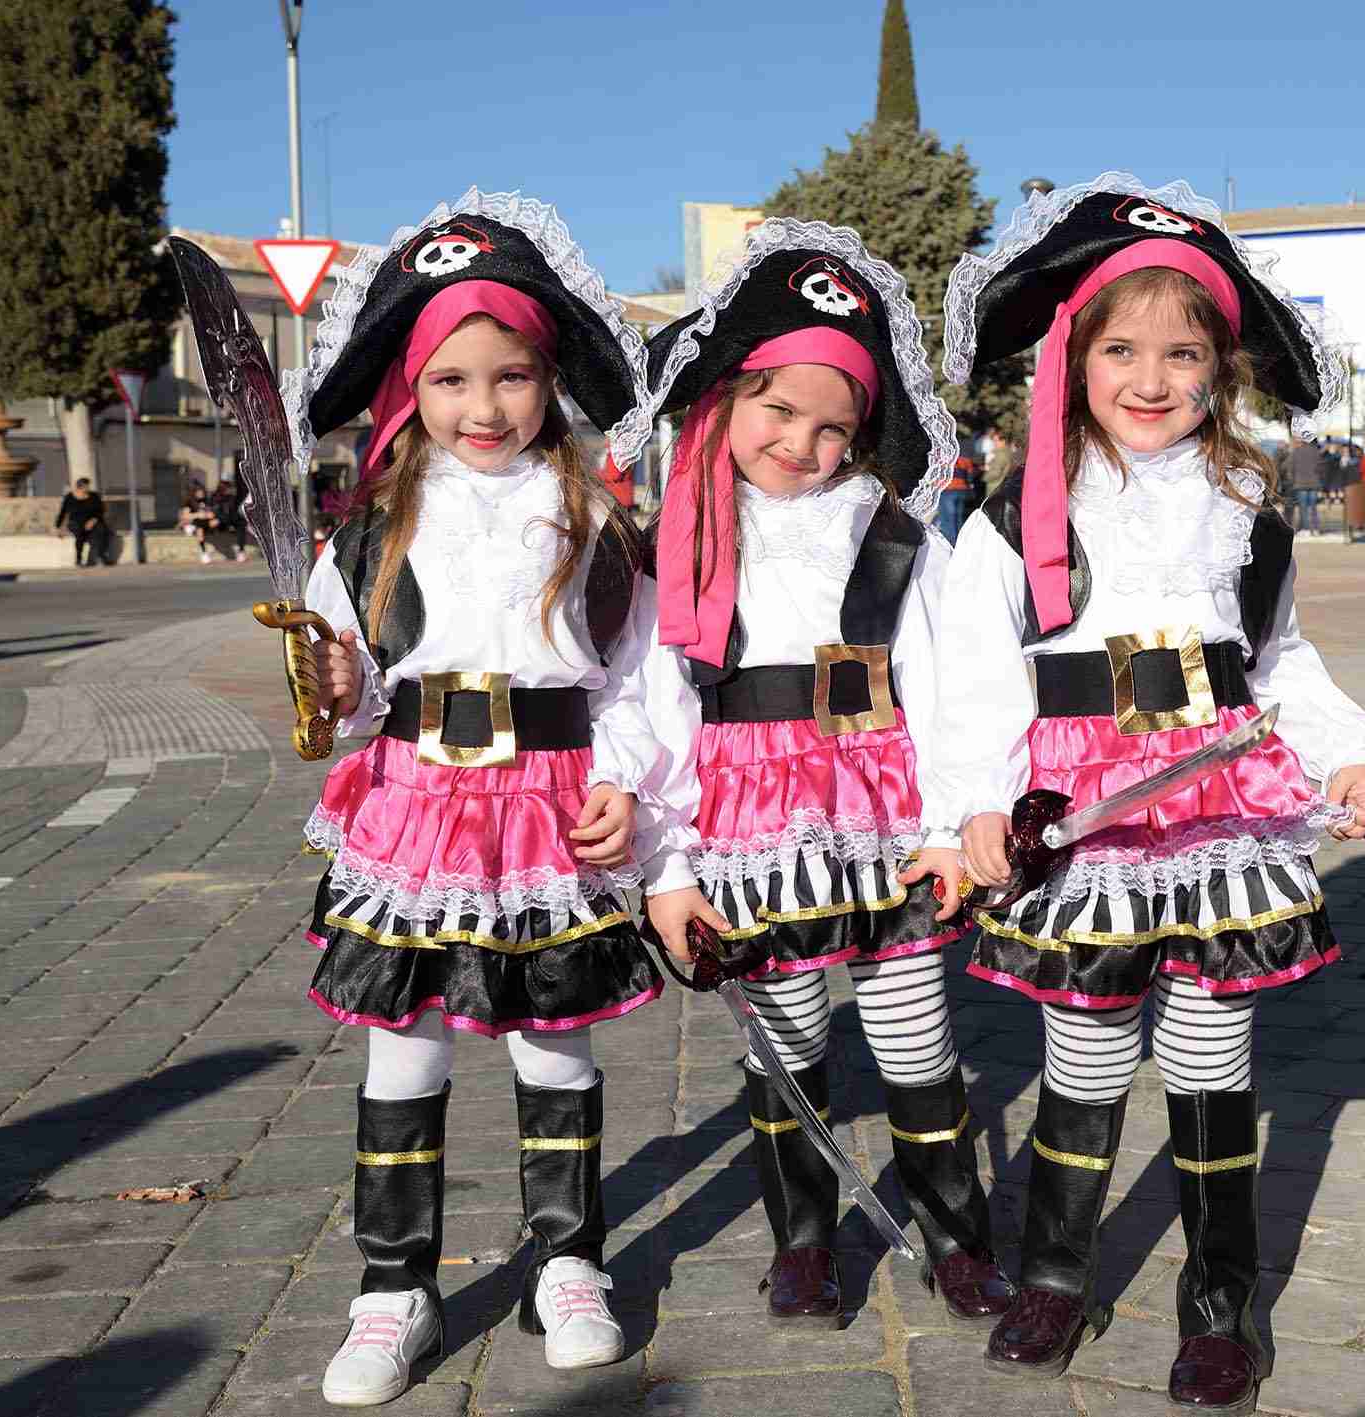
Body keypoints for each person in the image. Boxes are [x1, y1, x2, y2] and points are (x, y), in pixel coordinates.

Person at [932, 176, 1365, 1408]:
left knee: (1206, 1049)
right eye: (1120, 349)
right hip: (1078, 812)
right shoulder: (1004, 519)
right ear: (1070, 361)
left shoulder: (1249, 506)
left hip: (1217, 806)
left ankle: (1221, 1296)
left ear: (1218, 368)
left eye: (1180, 352)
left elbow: (1279, 659)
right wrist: (972, 800)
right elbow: (973, 679)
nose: (1150, 377)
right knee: (1079, 1050)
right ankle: (1053, 1275)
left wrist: (1346, 748)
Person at [298, 191, 661, 1405]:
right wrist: (336, 684)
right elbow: (338, 709)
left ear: (545, 383)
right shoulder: (364, 536)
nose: (483, 406)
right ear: (412, 392)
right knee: (405, 1052)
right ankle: (394, 1284)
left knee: (555, 1044)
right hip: (417, 806)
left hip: (549, 809)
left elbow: (634, 680)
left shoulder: (599, 521)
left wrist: (625, 779)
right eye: (450, 380)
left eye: (509, 376)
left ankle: (568, 1259)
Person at [629, 223, 1014, 1328]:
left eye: (832, 425)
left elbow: (946, 685)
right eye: (778, 412)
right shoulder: (677, 543)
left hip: (878, 811)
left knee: (912, 1029)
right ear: (726, 401)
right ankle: (801, 1243)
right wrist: (671, 864)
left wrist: (948, 824)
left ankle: (955, 1235)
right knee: (784, 1035)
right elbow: (656, 711)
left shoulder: (895, 536)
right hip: (745, 817)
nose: (801, 442)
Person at [54, 478, 108, 568]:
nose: (87, 489)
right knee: (80, 533)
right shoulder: (70, 497)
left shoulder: (94, 496)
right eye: (85, 487)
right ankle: (78, 560)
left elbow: (101, 511)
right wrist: (58, 527)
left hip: (93, 522)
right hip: (75, 522)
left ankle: (100, 557)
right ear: (79, 487)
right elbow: (63, 512)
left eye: (88, 486)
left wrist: (94, 520)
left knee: (100, 531)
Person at [1284, 433, 1324, 532]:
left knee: (1303, 508)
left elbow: (1289, 467)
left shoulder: (1296, 451)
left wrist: (1292, 480)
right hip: (1314, 483)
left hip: (1300, 483)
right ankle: (1315, 528)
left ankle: (1306, 528)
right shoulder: (1316, 452)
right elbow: (1321, 467)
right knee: (1313, 507)